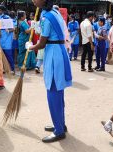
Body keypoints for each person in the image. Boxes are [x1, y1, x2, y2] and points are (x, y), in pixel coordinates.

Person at [29, 0, 72, 143]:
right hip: (58, 51)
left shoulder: (47, 16)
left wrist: (30, 47)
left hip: (53, 54)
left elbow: (41, 44)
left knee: (53, 92)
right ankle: (60, 124)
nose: (33, 0)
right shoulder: (54, 12)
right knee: (58, 93)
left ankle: (59, 131)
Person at [0, 5, 15, 72]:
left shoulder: (8, 18)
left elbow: (13, 29)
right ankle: (3, 68)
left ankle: (12, 69)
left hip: (7, 38)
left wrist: (9, 30)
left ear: (3, 10)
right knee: (1, 55)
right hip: (0, 38)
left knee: (8, 54)